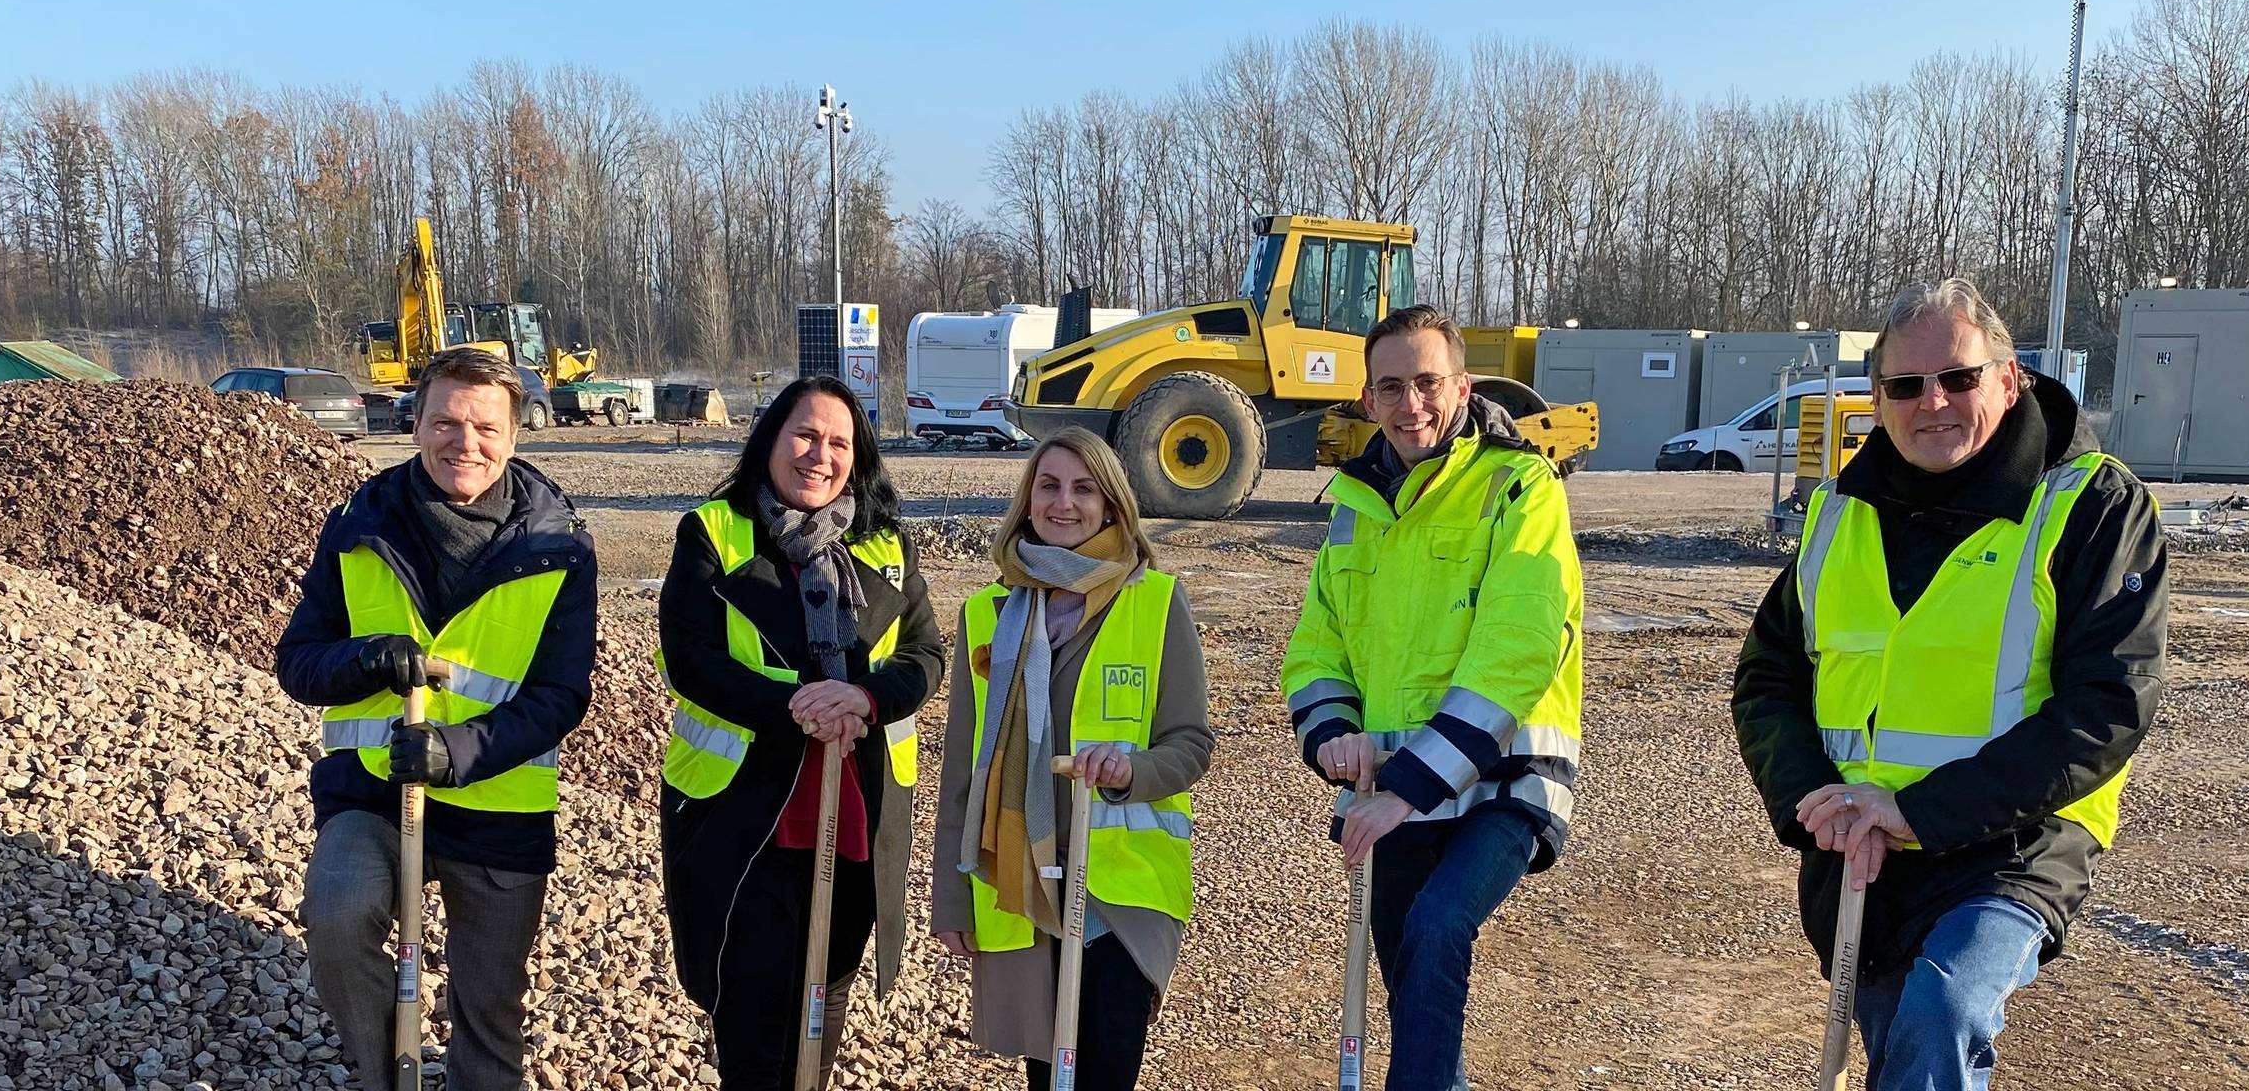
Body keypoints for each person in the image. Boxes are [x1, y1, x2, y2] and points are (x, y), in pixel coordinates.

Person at [1730, 278, 2167, 1091]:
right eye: (1905, 385)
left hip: (2010, 844)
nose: (1933, 402)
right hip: (1862, 853)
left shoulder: (2091, 506)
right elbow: (1767, 678)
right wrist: (1814, 796)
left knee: (1943, 1013)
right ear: (1879, 398)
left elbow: (2108, 706)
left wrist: (1920, 812)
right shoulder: (1836, 515)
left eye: (1958, 378)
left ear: (2009, 380)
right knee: (1902, 1045)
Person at [1280, 305, 1586, 1091]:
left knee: (1438, 927)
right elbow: (1319, 645)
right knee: (1413, 985)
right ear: (1368, 398)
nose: (1410, 403)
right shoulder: (1355, 506)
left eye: (1426, 383)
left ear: (1462, 385)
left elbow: (1517, 650)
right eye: (1391, 387)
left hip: (1503, 781)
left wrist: (1409, 788)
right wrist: (1331, 733)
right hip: (1390, 783)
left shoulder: (1520, 487)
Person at [277, 346, 596, 1091]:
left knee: (488, 1006)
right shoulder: (360, 524)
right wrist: (362, 660)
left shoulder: (559, 546)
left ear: (515, 435)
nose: (466, 443)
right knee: (338, 917)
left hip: (498, 805)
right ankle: (392, 1075)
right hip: (371, 791)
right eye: (446, 422)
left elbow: (561, 696)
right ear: (413, 422)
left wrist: (457, 751)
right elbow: (297, 662)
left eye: (485, 427)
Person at [654, 376, 943, 1089]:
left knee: (827, 994)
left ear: (859, 455)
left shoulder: (886, 545)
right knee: (750, 1007)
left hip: (856, 812)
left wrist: (864, 700)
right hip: (747, 813)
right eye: (806, 435)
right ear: (772, 440)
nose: (820, 455)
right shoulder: (714, 534)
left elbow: (926, 656)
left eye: (839, 442)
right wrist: (801, 705)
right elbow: (692, 658)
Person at [932, 427, 1214, 1091]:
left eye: (1085, 489)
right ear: (1028, 501)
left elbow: (1191, 744)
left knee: (1103, 1073)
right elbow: (962, 775)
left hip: (1121, 895)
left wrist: (1129, 771)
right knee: (1045, 1076)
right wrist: (951, 897)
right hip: (1022, 887)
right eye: (1050, 486)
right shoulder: (986, 616)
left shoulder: (1155, 603)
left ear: (1112, 505)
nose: (1066, 503)